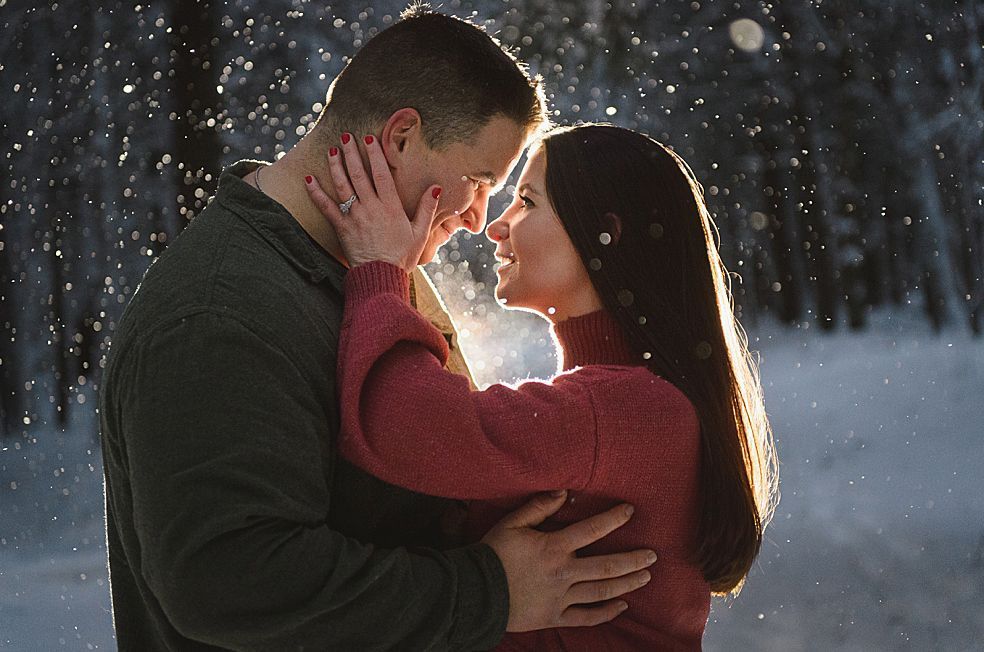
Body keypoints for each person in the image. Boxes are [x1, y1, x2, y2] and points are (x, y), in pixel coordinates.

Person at [99, 9, 659, 651]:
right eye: (479, 182)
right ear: (400, 139)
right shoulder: (218, 314)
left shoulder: (382, 263)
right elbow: (228, 581)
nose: (480, 219)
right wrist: (490, 592)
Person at [304, 123, 780, 649]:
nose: (495, 227)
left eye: (525, 202)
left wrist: (382, 270)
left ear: (607, 233)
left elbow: (405, 425)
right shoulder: (627, 401)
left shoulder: (626, 409)